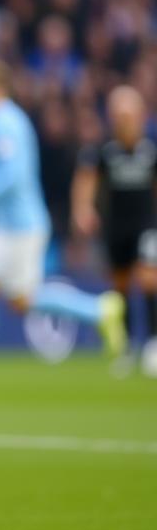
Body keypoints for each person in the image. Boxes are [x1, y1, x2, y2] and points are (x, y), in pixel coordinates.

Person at [0, 58, 126, 386]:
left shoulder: (4, 121)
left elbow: (13, 173)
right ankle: (99, 310)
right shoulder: (1, 120)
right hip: (12, 224)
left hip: (16, 226)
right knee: (22, 299)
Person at [72, 85, 157, 376]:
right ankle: (128, 347)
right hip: (116, 226)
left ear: (140, 115)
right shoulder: (104, 152)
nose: (124, 120)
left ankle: (153, 345)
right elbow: (86, 181)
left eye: (129, 114)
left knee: (148, 278)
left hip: (147, 226)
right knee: (119, 286)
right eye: (118, 115)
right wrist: (83, 209)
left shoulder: (151, 149)